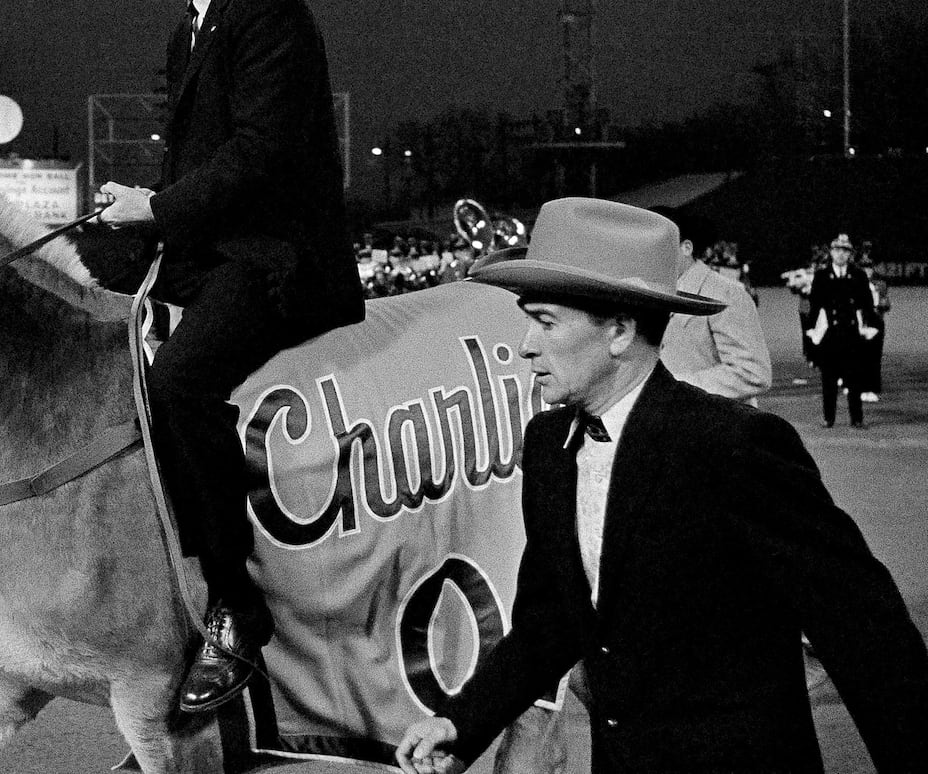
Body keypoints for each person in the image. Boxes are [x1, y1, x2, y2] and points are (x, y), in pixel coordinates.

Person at [395, 198, 928, 774]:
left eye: (545, 321)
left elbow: (864, 630)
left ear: (621, 332)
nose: (526, 344)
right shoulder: (550, 446)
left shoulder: (734, 446)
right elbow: (548, 624)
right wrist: (460, 721)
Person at [94, 0, 365, 713]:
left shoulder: (270, 10)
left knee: (178, 385)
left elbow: (259, 159)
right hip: (217, 256)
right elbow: (194, 174)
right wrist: (124, 228)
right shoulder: (192, 30)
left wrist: (156, 210)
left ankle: (238, 615)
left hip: (279, 262)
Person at [649, 206, 771, 403]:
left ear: (686, 248)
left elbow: (752, 372)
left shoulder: (726, 293)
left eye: (658, 245)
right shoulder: (648, 292)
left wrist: (675, 389)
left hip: (715, 425)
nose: (650, 254)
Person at [808, 233, 880, 428]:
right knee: (828, 380)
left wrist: (871, 328)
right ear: (831, 252)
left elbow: (866, 304)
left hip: (851, 333)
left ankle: (856, 419)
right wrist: (811, 337)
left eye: (845, 250)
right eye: (837, 250)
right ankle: (828, 417)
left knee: (854, 378)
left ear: (850, 254)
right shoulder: (822, 276)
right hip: (829, 333)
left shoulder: (858, 275)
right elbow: (814, 306)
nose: (841, 254)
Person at [858, 250, 890, 403]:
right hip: (860, 323)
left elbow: (887, 304)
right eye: (864, 266)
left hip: (876, 322)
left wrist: (879, 305)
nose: (867, 269)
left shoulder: (881, 284)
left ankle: (873, 388)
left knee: (874, 357)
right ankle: (862, 388)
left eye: (869, 266)